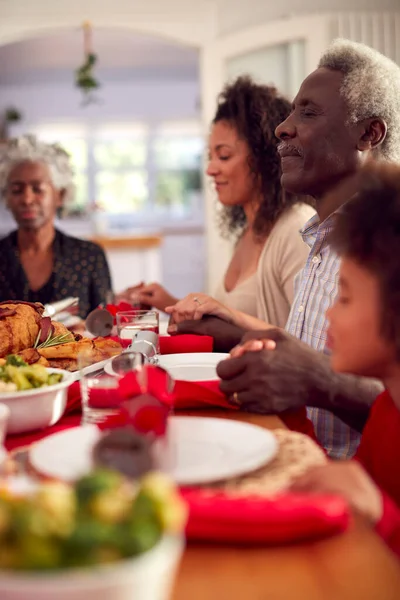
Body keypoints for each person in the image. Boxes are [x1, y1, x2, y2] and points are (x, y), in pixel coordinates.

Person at [174, 39, 400, 459]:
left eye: (308, 112)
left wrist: (323, 382)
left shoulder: (388, 244)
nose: (283, 126)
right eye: (292, 110)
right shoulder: (320, 239)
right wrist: (235, 331)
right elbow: (307, 357)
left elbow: (334, 379)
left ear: (369, 133)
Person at [121, 76, 315, 329]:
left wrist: (224, 312)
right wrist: (170, 303)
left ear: (265, 157)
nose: (211, 169)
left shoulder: (297, 228)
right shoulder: (247, 233)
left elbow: (308, 343)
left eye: (223, 156)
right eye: (210, 156)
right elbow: (233, 323)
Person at [291, 163, 400, 558]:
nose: (330, 314)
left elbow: (371, 507)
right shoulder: (387, 410)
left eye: (347, 297)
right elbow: (347, 484)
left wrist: (381, 515)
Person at [0, 135, 112, 318]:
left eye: (38, 189)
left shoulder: (90, 256)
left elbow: (106, 329)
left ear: (60, 195)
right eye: (17, 190)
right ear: (7, 198)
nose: (27, 199)